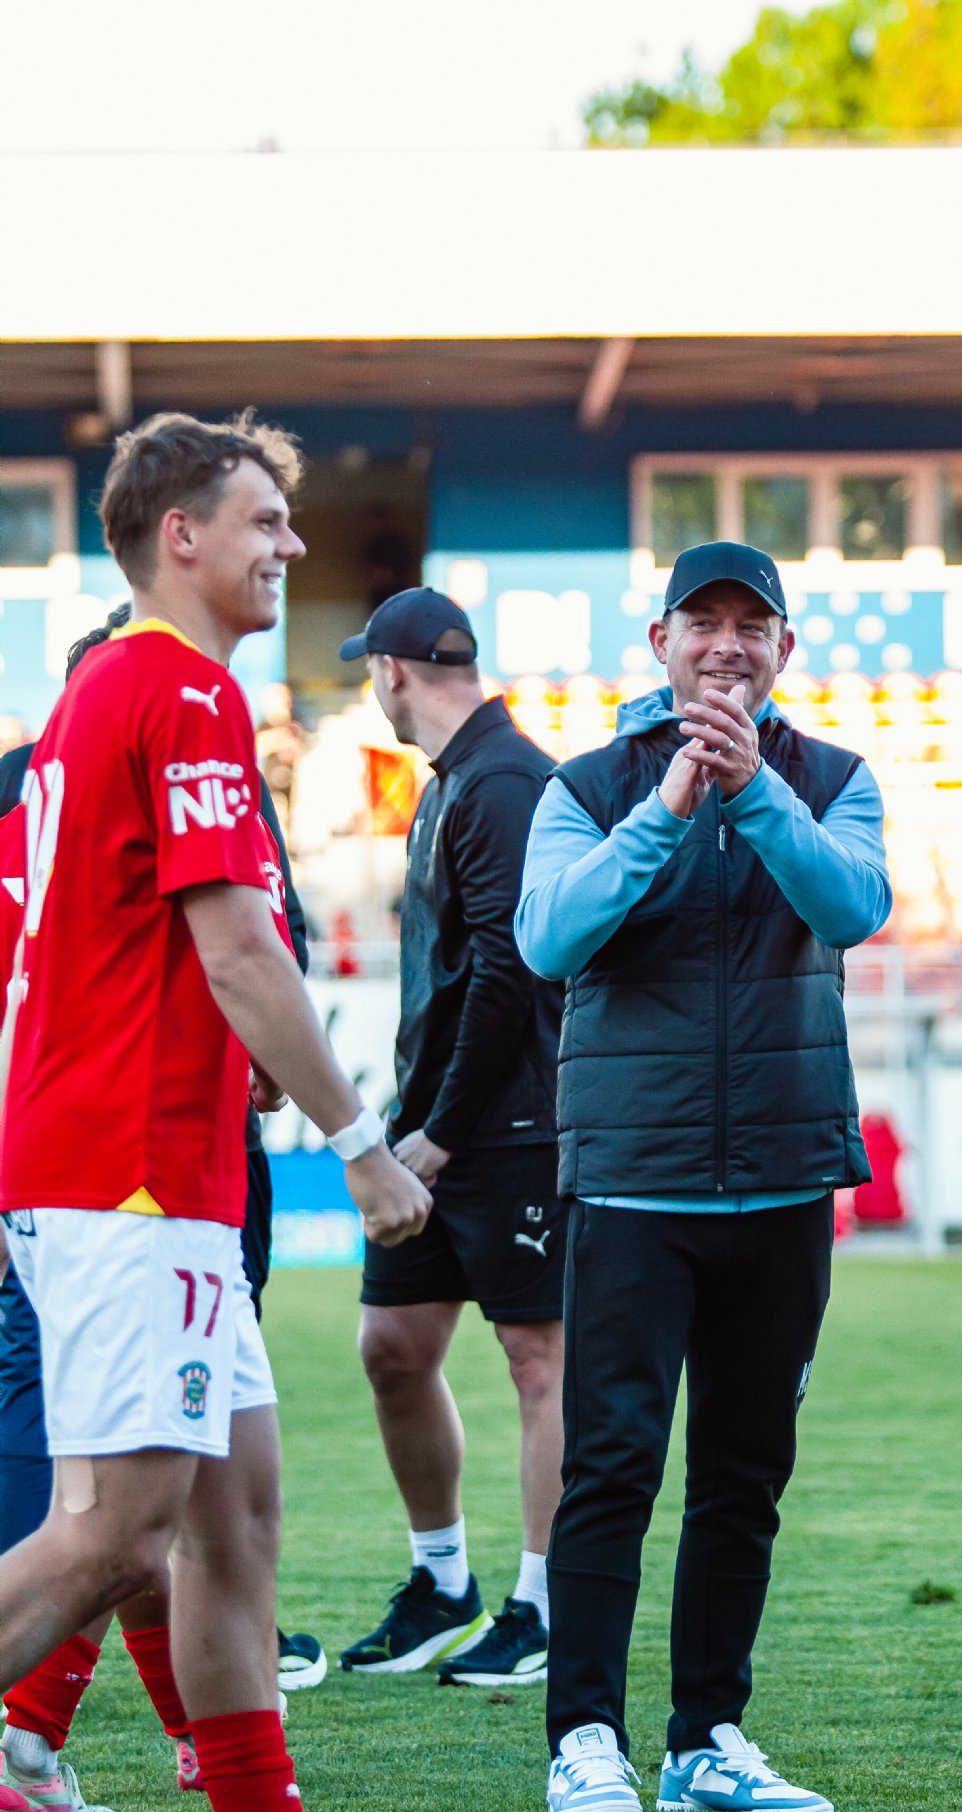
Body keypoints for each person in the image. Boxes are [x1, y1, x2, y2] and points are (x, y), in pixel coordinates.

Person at [0, 411, 462, 1812]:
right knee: (114, 1539)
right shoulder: (178, 687)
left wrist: (250, 1065)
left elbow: (169, 949)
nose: (293, 546)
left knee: (234, 1523)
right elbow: (240, 950)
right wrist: (361, 1146)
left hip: (158, 1174)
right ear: (178, 533)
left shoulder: (108, 694)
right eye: (265, 520)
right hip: (126, 1175)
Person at [515, 540, 892, 1812]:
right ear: (661, 641)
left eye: (751, 625)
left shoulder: (832, 778)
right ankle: (583, 1743)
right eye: (702, 622)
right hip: (636, 1181)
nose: (726, 645)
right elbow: (548, 936)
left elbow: (852, 908)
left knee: (744, 1474)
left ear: (784, 648)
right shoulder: (585, 785)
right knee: (610, 1469)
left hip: (783, 1179)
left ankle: (705, 1739)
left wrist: (754, 797)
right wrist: (671, 804)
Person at [337, 590, 564, 1688]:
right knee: (392, 1345)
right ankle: (443, 1584)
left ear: (391, 671)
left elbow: (512, 974)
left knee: (538, 1358)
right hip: (434, 1123)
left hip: (508, 1128)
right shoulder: (455, 779)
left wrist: (439, 1131)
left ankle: (546, 1605)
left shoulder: (505, 779)